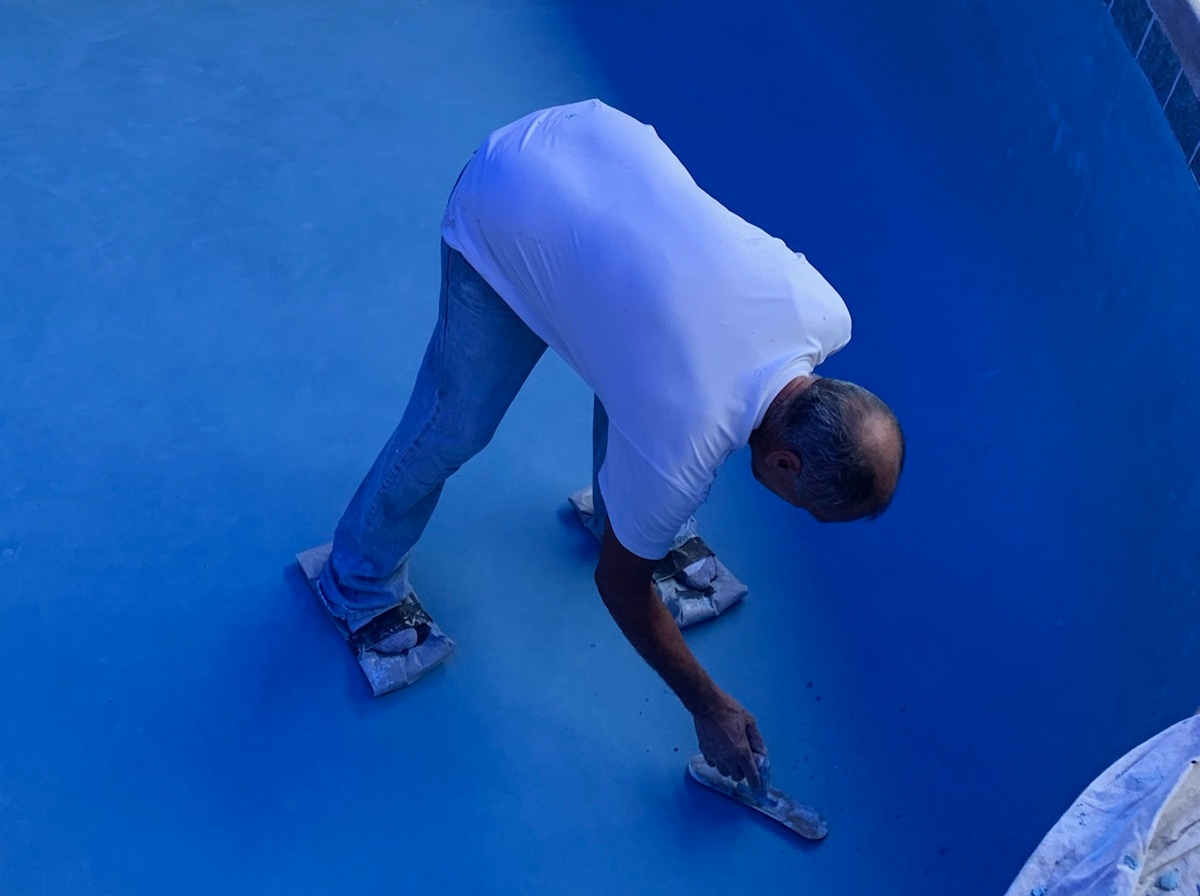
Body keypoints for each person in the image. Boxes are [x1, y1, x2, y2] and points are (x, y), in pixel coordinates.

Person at [317, 100, 904, 787]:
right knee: (453, 426)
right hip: (509, 201)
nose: (796, 509)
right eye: (805, 503)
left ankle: (623, 514)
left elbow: (674, 370)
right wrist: (707, 705)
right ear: (784, 461)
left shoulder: (827, 311)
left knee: (648, 387)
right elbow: (619, 586)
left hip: (598, 138)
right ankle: (356, 581)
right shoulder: (686, 437)